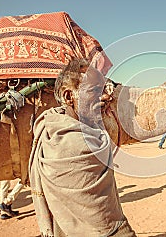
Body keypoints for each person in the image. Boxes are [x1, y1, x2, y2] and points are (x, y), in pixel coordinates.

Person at [29, 59, 136, 237]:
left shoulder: (50, 126)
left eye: (104, 90)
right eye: (94, 91)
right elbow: (106, 225)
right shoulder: (80, 146)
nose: (105, 97)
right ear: (69, 96)